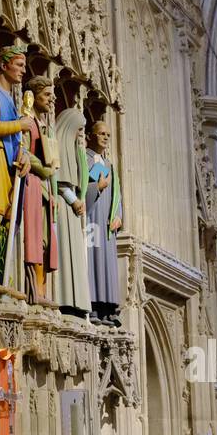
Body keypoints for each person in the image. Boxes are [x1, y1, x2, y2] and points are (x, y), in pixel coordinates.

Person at [0, 45, 37, 298]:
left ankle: (2, 274)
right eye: (19, 65)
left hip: (10, 162)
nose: (23, 71)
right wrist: (20, 124)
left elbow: (17, 138)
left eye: (24, 66)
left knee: (7, 219)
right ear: (4, 65)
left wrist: (25, 155)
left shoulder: (11, 99)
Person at [21, 76, 59, 307]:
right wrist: (44, 169)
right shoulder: (27, 119)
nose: (51, 100)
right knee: (34, 239)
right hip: (32, 184)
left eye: (53, 96)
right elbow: (23, 150)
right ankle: (33, 291)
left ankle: (42, 289)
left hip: (44, 188)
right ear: (34, 96)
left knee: (44, 241)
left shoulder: (44, 125)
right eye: (47, 95)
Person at [52, 108, 92, 319]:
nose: (81, 134)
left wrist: (79, 199)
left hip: (73, 207)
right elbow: (58, 178)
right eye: (79, 130)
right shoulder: (59, 144)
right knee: (64, 252)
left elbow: (81, 176)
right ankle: (65, 299)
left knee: (73, 252)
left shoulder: (73, 149)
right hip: (64, 204)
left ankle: (77, 302)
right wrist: (74, 200)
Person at [85, 118, 124, 326]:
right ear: (91, 135)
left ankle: (108, 308)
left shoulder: (109, 165)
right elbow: (79, 188)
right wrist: (96, 188)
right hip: (91, 219)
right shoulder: (84, 159)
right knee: (92, 261)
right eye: (102, 134)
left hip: (107, 223)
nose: (106, 137)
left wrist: (118, 214)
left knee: (107, 263)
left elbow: (117, 192)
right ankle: (92, 305)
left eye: (108, 135)